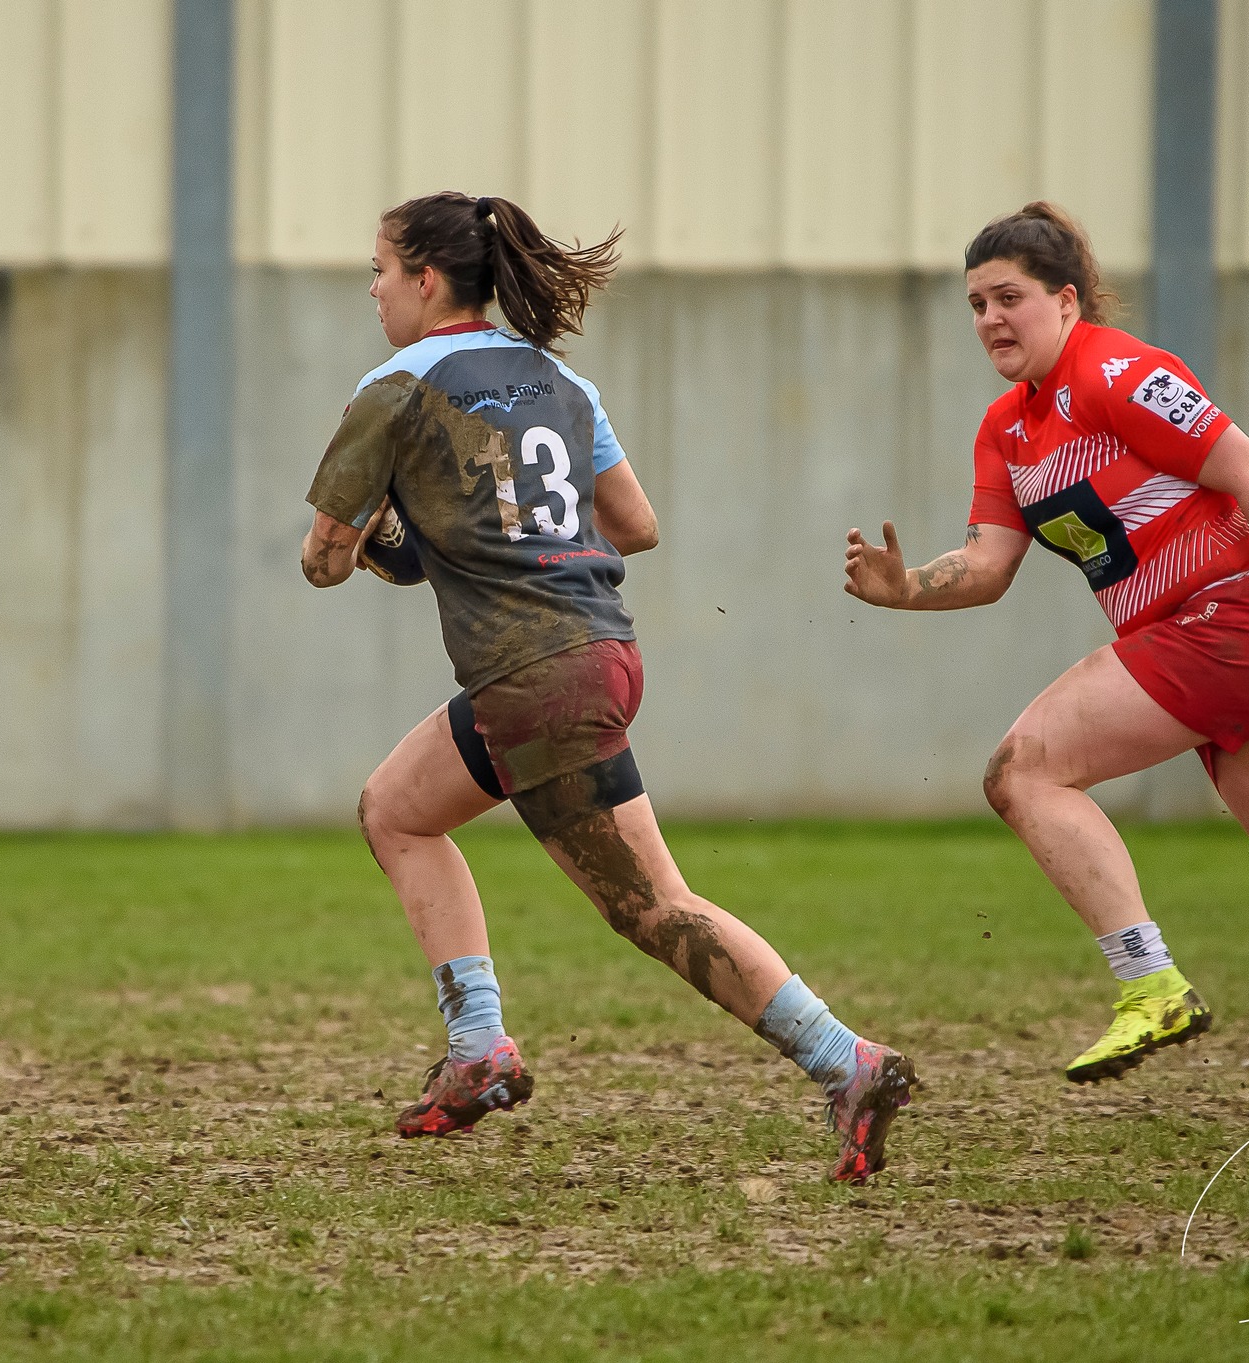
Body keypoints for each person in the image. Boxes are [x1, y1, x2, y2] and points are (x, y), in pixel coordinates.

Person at [301, 192, 916, 1183]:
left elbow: (322, 560)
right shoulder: (555, 380)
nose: (370, 289)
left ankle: (847, 1060)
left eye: (377, 269)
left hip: (534, 677)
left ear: (425, 280)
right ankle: (478, 1049)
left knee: (653, 907)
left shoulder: (391, 388)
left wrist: (383, 538)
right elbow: (633, 523)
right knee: (396, 809)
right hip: (593, 653)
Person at [844, 202, 1249, 1087]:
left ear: (1069, 301)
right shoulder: (1007, 429)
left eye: (1009, 297)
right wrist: (906, 588)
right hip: (1222, 647)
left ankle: (1149, 981)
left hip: (1236, 621)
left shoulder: (1118, 371)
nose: (990, 320)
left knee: (1024, 770)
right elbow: (987, 564)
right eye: (975, 305)